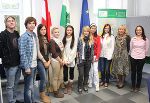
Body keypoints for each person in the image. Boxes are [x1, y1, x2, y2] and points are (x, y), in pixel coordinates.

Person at [18, 17, 49, 103]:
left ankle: (32, 100)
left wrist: (44, 60)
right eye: (29, 23)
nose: (32, 25)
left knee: (31, 86)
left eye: (33, 23)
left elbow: (38, 51)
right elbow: (22, 53)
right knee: (28, 87)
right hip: (28, 66)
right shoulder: (23, 37)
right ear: (26, 25)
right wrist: (27, 67)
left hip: (35, 65)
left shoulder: (34, 35)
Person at [0, 16, 21, 103]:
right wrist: (7, 61)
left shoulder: (16, 33)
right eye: (9, 21)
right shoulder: (2, 35)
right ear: (6, 23)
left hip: (18, 63)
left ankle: (14, 99)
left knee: (16, 84)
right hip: (10, 65)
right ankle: (11, 101)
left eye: (13, 21)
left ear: (15, 23)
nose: (11, 22)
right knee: (10, 85)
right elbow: (1, 50)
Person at [130, 25, 149, 92]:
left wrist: (143, 55)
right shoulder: (133, 39)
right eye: (137, 30)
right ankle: (133, 86)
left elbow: (146, 49)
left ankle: (138, 86)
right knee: (133, 72)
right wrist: (133, 54)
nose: (138, 31)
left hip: (141, 58)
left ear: (142, 31)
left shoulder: (145, 39)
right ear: (135, 31)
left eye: (140, 30)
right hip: (133, 57)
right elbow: (131, 48)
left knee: (139, 72)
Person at [77, 26, 94, 93]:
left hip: (88, 60)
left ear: (89, 32)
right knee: (81, 74)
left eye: (87, 31)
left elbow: (92, 50)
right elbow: (77, 49)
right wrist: (78, 59)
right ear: (83, 32)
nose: (86, 32)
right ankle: (79, 86)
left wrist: (91, 59)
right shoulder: (80, 39)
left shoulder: (91, 40)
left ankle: (85, 85)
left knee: (86, 74)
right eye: (85, 31)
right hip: (81, 60)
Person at [37, 24, 51, 103]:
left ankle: (43, 93)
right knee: (44, 79)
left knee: (45, 79)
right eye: (41, 29)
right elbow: (38, 52)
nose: (43, 31)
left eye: (44, 29)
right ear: (39, 30)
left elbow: (48, 52)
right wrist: (45, 62)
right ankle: (42, 95)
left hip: (47, 61)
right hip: (40, 61)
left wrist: (49, 61)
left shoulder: (46, 39)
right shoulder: (37, 39)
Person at [49, 27, 64, 98]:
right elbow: (54, 53)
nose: (57, 33)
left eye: (58, 32)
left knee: (60, 77)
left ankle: (57, 90)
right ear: (52, 33)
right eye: (55, 32)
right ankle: (55, 93)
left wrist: (63, 60)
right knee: (55, 77)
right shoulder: (52, 41)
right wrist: (60, 60)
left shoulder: (59, 40)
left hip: (60, 61)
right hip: (55, 61)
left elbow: (62, 51)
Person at [99, 24, 115, 88]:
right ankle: (102, 80)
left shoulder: (112, 37)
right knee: (102, 69)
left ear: (110, 29)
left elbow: (112, 47)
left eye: (108, 28)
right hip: (102, 55)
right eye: (105, 28)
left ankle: (107, 81)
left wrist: (111, 55)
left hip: (108, 55)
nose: (106, 29)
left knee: (107, 69)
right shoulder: (101, 36)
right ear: (104, 29)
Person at [62, 25, 77, 95]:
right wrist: (65, 60)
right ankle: (65, 86)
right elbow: (63, 51)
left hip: (72, 60)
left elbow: (74, 51)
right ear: (66, 31)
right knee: (65, 74)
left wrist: (69, 60)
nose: (69, 31)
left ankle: (70, 87)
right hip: (65, 60)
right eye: (68, 30)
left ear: (72, 31)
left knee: (71, 73)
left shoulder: (75, 39)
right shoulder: (63, 39)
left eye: (70, 30)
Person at [88, 23, 101, 92]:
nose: (93, 29)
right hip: (88, 56)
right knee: (90, 70)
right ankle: (90, 82)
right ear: (90, 29)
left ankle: (97, 85)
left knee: (95, 71)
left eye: (94, 28)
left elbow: (99, 47)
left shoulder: (98, 37)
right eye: (92, 28)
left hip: (95, 56)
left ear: (96, 29)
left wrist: (97, 57)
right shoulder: (87, 36)